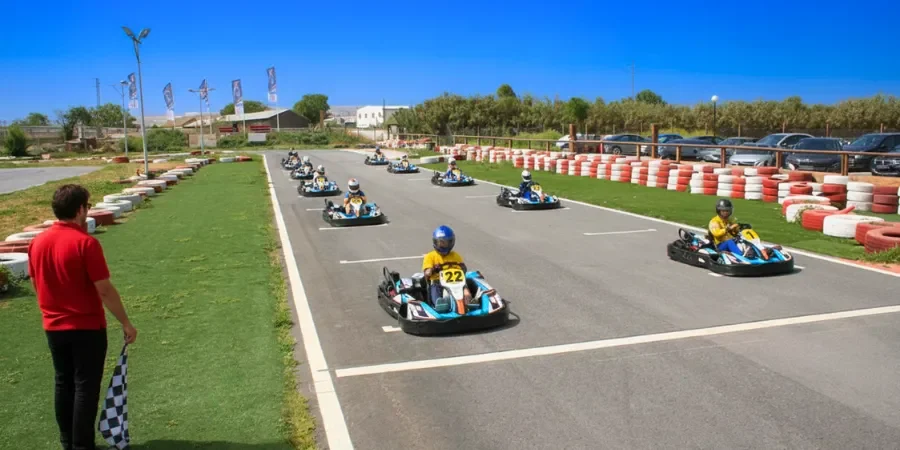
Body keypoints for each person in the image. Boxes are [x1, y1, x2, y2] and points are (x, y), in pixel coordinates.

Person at [28, 184, 137, 450]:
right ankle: (82, 445)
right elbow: (104, 290)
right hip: (86, 327)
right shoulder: (85, 243)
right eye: (87, 207)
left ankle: (68, 441)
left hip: (54, 327)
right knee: (85, 387)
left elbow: (36, 282)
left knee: (63, 382)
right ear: (79, 210)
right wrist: (125, 322)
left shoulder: (37, 242)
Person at [422, 226, 473, 308]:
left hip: (457, 283)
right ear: (435, 242)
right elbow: (427, 272)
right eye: (440, 242)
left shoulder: (456, 256)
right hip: (437, 282)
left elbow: (462, 271)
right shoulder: (430, 256)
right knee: (435, 289)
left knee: (466, 290)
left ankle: (469, 302)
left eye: (446, 243)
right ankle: (439, 305)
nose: (443, 245)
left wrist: (463, 269)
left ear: (451, 242)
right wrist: (431, 269)